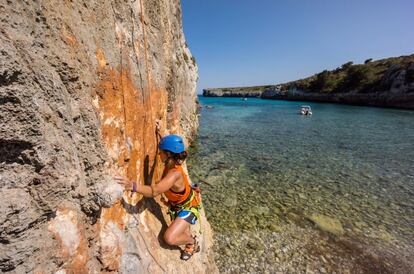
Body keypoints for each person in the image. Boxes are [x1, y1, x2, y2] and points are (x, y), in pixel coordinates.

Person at [114, 130, 202, 260]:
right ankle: (186, 234)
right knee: (182, 229)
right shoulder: (174, 161)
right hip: (180, 204)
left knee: (169, 238)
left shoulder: (174, 174)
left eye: (161, 152)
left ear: (168, 154)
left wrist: (131, 186)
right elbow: (172, 149)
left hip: (188, 207)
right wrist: (161, 134)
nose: (158, 154)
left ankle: (192, 242)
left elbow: (153, 191)